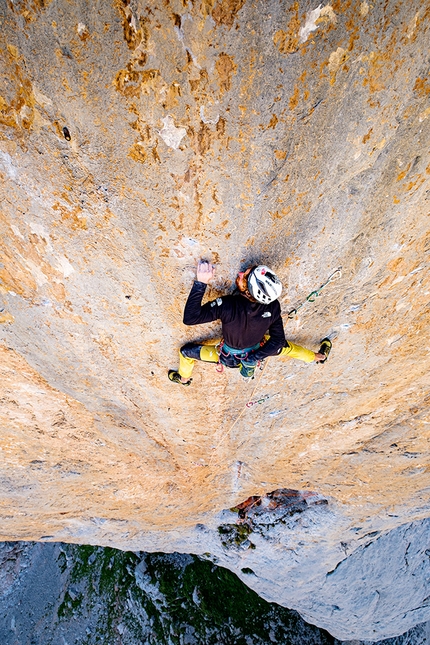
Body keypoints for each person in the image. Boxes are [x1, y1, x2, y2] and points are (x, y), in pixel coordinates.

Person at [168, 261, 331, 385]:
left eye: (243, 277)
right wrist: (254, 357)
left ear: (247, 291)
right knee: (290, 349)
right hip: (258, 349)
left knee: (186, 352)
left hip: (229, 358)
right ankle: (320, 357)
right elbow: (278, 341)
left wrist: (201, 282)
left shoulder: (228, 305)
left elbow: (190, 318)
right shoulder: (273, 306)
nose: (239, 274)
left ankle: (184, 379)